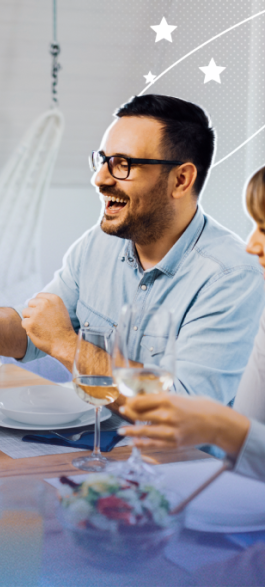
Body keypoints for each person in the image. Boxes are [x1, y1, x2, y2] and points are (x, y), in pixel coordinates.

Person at [0, 94, 265, 403]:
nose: (100, 178)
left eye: (122, 164)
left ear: (181, 179)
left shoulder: (231, 275)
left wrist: (66, 345)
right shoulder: (97, 244)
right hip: (90, 453)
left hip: (179, 479)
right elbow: (27, 335)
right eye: (103, 160)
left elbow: (182, 413)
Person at [120, 165, 265, 482]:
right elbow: (245, 462)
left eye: (264, 229)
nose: (252, 245)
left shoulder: (232, 277)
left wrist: (223, 428)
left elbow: (237, 436)